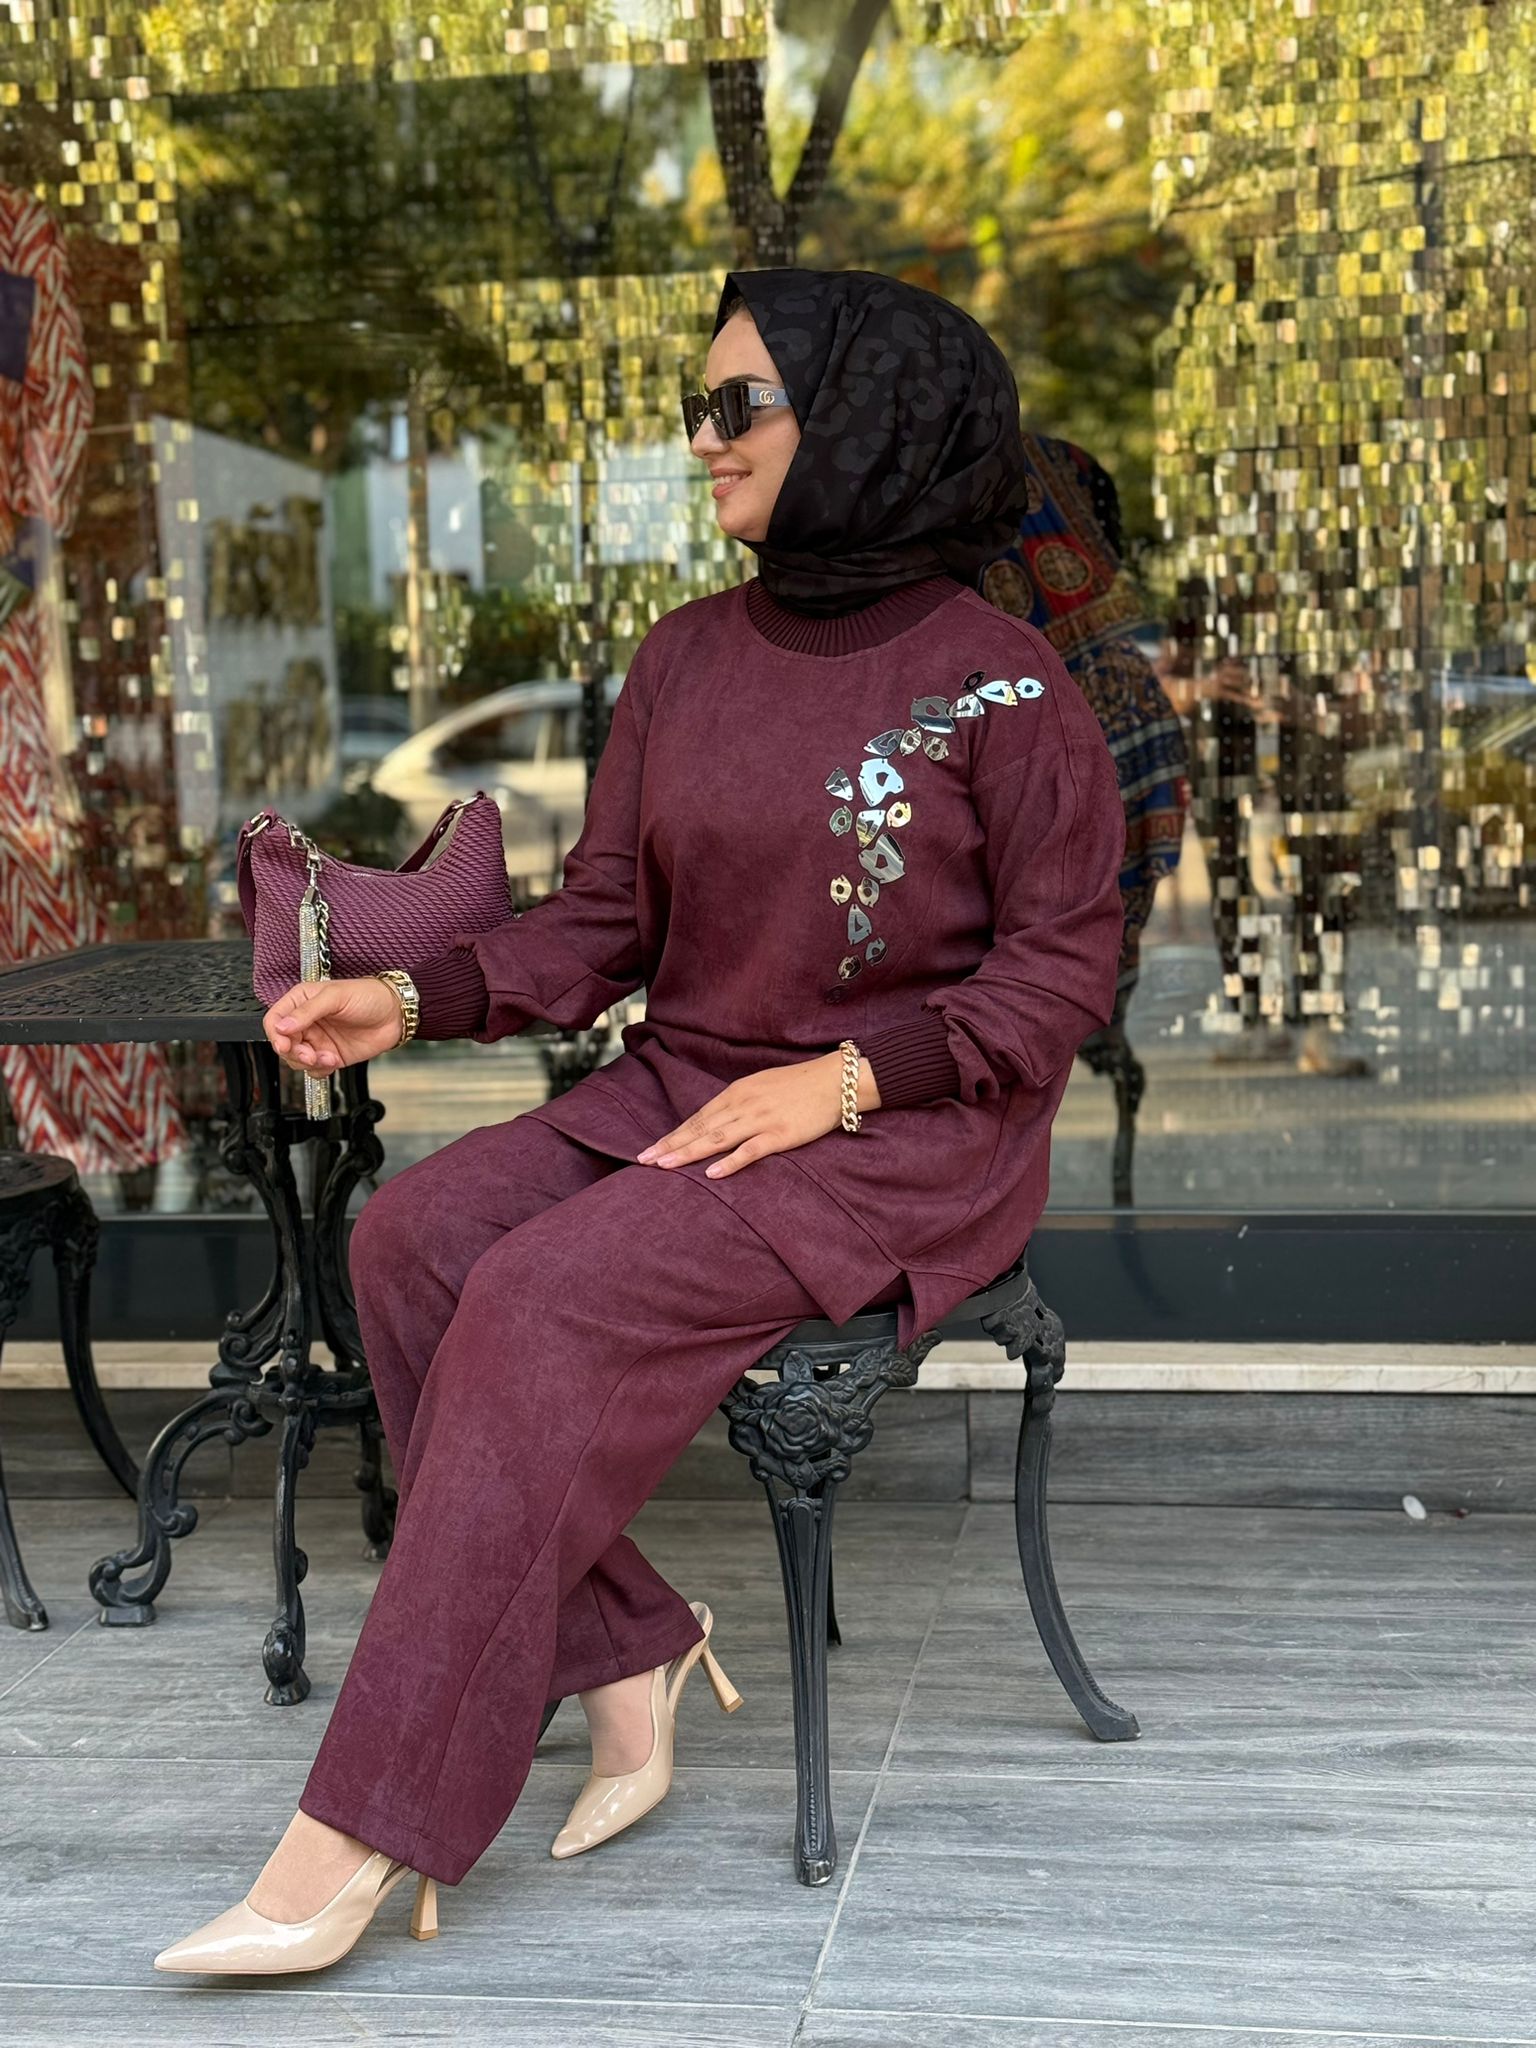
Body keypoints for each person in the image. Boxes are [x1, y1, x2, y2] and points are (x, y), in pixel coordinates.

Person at [154, 267, 1127, 1976]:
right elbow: (605, 919)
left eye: (737, 404)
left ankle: (364, 1828)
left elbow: (1062, 979)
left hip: (900, 1135)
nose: (704, 438)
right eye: (699, 407)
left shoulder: (1006, 687)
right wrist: (412, 999)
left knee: (544, 1296)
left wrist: (844, 1080)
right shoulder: (683, 659)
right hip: (690, 1088)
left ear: (864, 419)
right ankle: (628, 1645)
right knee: (412, 1241)